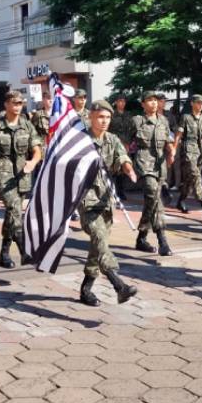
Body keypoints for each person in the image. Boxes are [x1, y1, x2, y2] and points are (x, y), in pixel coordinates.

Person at [74, 99, 139, 306]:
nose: (104, 121)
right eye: (100, 117)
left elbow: (121, 156)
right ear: (91, 117)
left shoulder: (112, 139)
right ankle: (119, 285)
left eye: (108, 117)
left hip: (106, 201)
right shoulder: (80, 140)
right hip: (87, 201)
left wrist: (129, 169)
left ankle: (85, 290)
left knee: (97, 247)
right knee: (100, 240)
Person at [0, 90, 42, 268]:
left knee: (11, 215)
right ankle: (24, 250)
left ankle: (4, 253)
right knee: (14, 209)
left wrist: (33, 162)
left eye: (20, 103)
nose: (17, 106)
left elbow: (37, 150)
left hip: (21, 176)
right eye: (14, 102)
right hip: (1, 175)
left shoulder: (27, 125)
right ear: (6, 104)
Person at [132, 91, 175, 256]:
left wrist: (171, 152)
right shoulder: (137, 121)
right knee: (153, 196)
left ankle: (141, 237)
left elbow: (168, 139)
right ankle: (162, 240)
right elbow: (124, 141)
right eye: (149, 100)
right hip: (144, 162)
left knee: (152, 201)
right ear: (143, 104)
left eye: (155, 100)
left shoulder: (163, 120)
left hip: (160, 165)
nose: (154, 103)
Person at [109, 93, 133, 201]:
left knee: (122, 169)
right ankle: (111, 191)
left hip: (125, 145)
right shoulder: (112, 115)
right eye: (119, 101)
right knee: (113, 168)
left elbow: (132, 130)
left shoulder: (128, 115)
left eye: (123, 101)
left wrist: (128, 143)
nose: (122, 103)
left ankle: (121, 191)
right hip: (113, 144)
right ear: (116, 102)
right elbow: (108, 130)